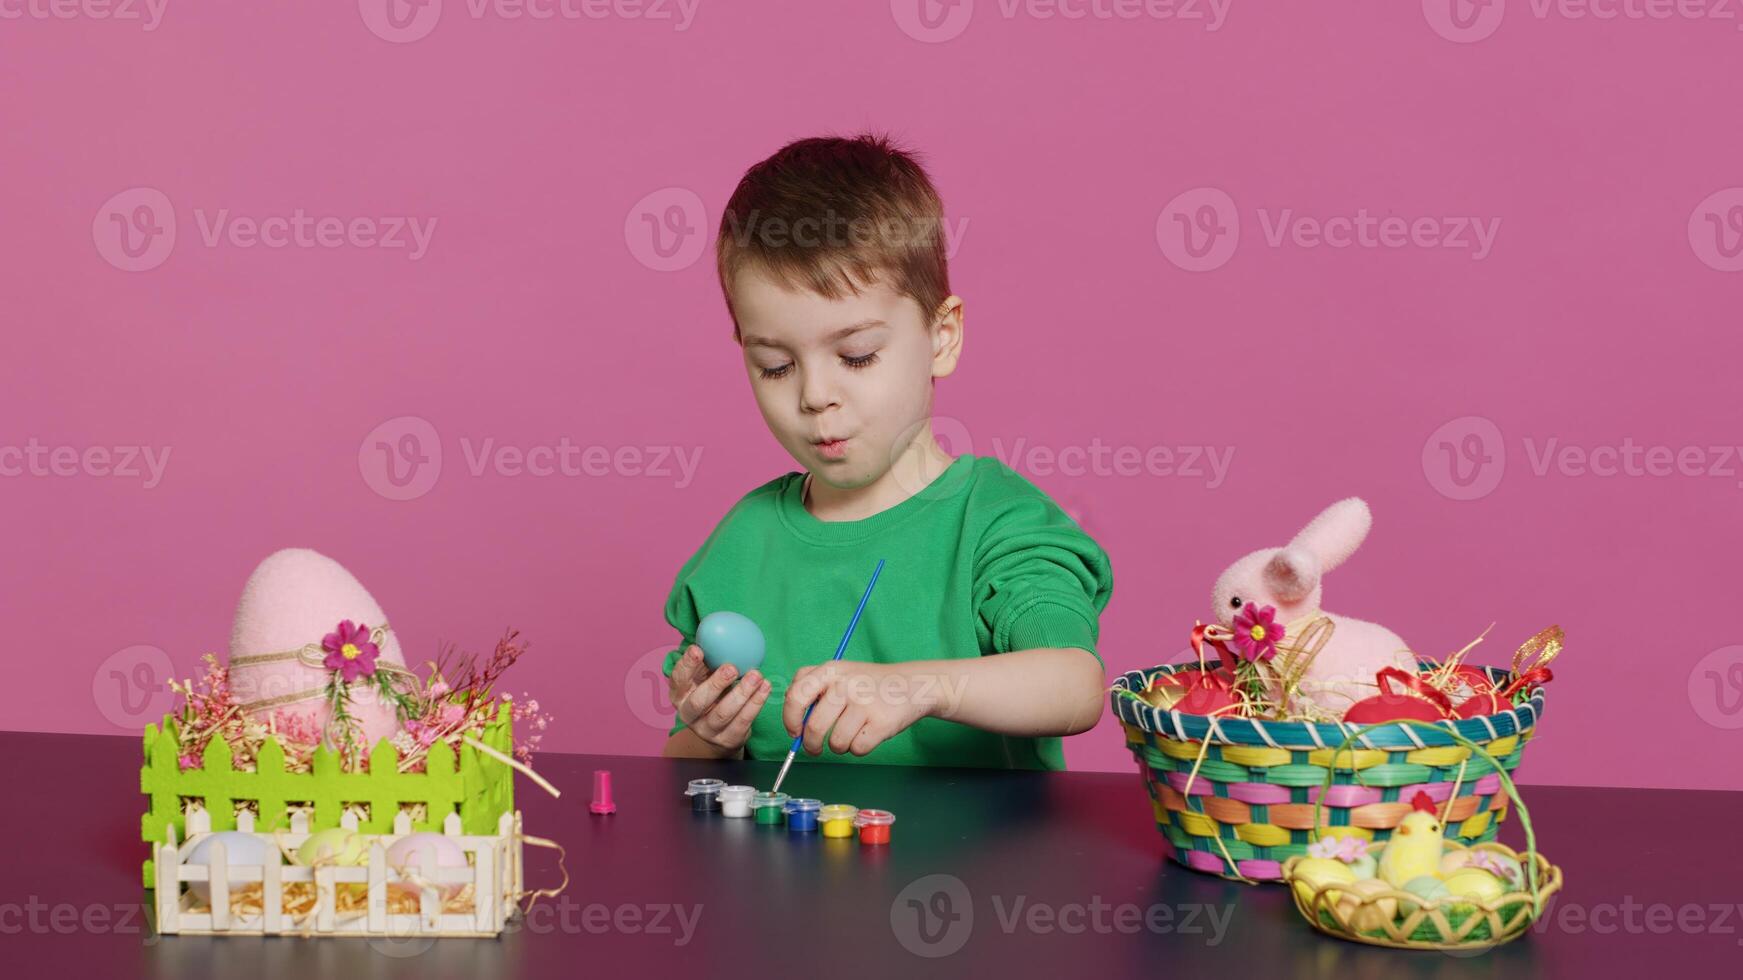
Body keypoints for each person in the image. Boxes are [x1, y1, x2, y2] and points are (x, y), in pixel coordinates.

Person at [660, 133, 1113, 770]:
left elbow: (1076, 685)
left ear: (942, 338)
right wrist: (710, 734)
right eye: (775, 366)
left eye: (857, 356)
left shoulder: (996, 525)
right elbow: (684, 783)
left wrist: (921, 688)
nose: (816, 396)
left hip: (970, 874)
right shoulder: (740, 547)